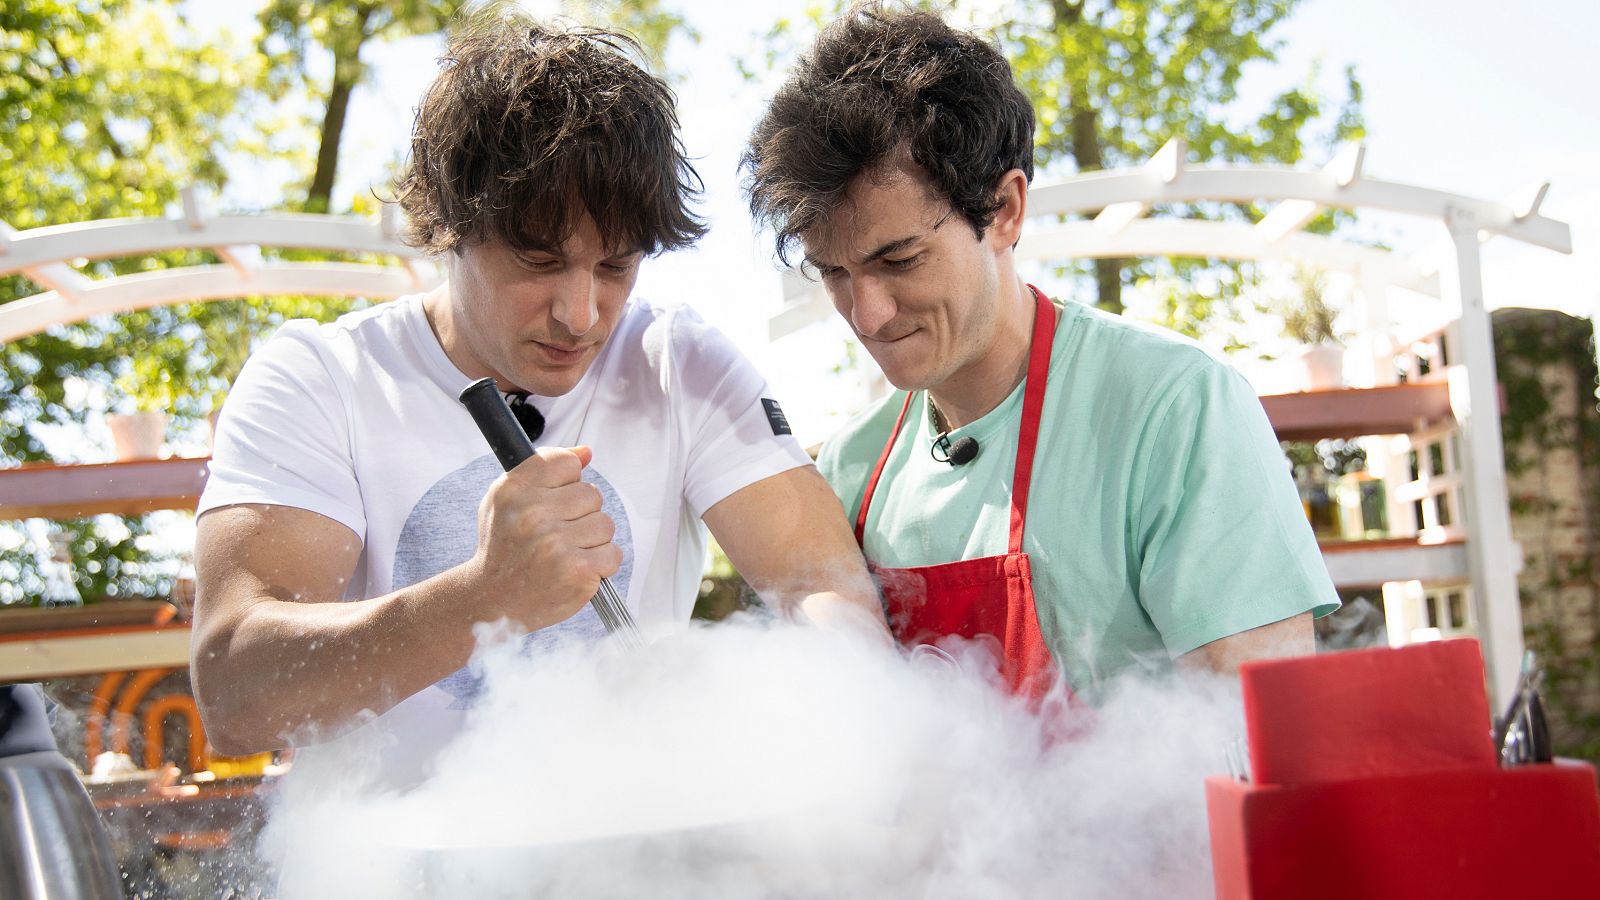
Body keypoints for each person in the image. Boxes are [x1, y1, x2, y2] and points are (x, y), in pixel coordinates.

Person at [191, 11, 882, 784]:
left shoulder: (678, 362)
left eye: (616, 267)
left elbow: (825, 588)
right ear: (450, 226)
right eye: (539, 260)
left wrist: (803, 714)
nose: (581, 314)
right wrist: (482, 597)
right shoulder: (319, 380)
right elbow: (232, 696)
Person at [741, 4, 1338, 705]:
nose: (866, 313)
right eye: (835, 273)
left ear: (1004, 211)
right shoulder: (850, 470)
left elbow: (1263, 728)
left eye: (899, 258)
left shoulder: (1172, 410)